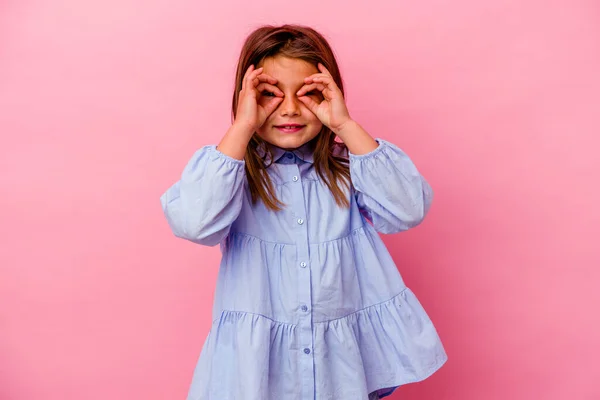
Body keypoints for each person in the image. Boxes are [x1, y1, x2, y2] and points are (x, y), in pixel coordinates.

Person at [160, 24, 447, 400]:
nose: (291, 109)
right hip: (257, 370)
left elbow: (408, 209)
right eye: (270, 95)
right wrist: (243, 125)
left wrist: (345, 124)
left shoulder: (348, 166)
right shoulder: (230, 170)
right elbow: (195, 223)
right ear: (246, 97)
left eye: (308, 93)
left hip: (339, 367)